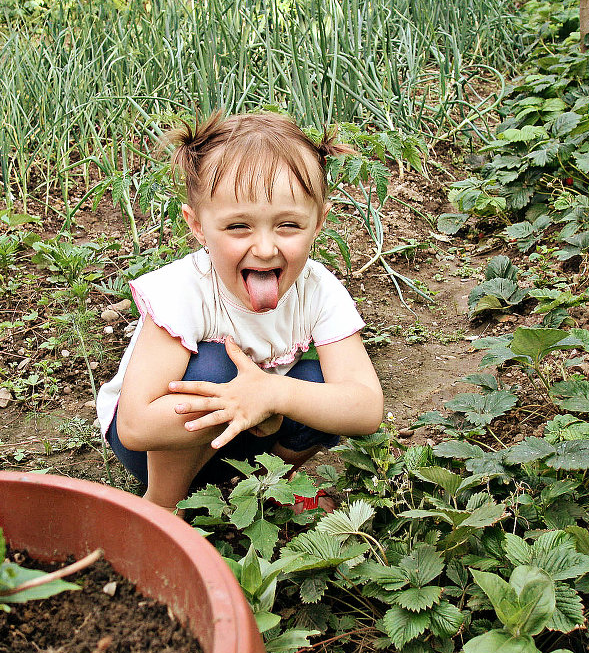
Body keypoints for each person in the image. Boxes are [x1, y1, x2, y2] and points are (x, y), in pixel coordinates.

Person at [95, 112, 384, 511]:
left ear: (318, 222)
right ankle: (163, 503)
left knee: (317, 383)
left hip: (256, 429)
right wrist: (239, 402)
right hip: (162, 441)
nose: (265, 248)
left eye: (288, 225)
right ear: (197, 226)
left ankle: (269, 484)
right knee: (214, 365)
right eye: (238, 227)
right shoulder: (184, 291)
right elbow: (135, 427)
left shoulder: (318, 290)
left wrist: (274, 396)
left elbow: (366, 408)